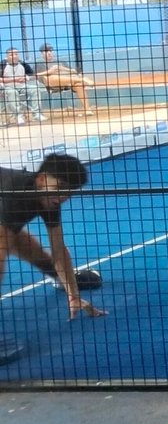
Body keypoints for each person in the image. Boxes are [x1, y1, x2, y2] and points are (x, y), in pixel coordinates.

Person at [0, 154, 104, 364]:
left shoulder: (50, 198)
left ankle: (58, 278)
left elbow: (59, 248)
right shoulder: (14, 194)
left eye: (69, 191)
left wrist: (73, 294)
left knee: (21, 242)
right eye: (61, 187)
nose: (64, 196)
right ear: (41, 179)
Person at [36, 44, 94, 115]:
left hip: (67, 84)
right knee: (50, 78)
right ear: (42, 53)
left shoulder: (61, 62)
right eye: (46, 51)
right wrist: (50, 71)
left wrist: (62, 68)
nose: (49, 53)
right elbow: (35, 75)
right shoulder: (39, 64)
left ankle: (87, 109)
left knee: (79, 85)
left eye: (50, 51)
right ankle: (81, 79)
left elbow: (74, 71)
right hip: (51, 85)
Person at [1, 48, 46, 125]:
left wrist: (27, 78)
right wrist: (14, 79)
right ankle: (18, 116)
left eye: (16, 54)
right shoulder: (2, 64)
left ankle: (36, 114)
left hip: (22, 86)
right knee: (12, 92)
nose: (14, 56)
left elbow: (33, 75)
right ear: (7, 56)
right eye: (11, 55)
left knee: (35, 89)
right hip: (8, 87)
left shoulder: (23, 64)